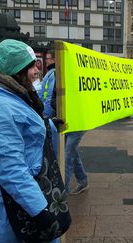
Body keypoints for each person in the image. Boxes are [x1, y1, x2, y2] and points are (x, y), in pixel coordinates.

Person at [0, 39, 58, 242]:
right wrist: (39, 209)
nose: (37, 70)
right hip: (11, 203)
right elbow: (9, 166)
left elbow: (25, 128)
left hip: (23, 193)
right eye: (31, 66)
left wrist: (51, 125)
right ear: (16, 69)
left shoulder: (12, 94)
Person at [42, 49, 89, 195]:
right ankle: (83, 181)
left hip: (77, 122)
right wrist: (58, 107)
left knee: (66, 156)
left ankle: (62, 194)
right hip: (63, 121)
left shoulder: (79, 77)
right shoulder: (57, 75)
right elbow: (53, 98)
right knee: (71, 152)